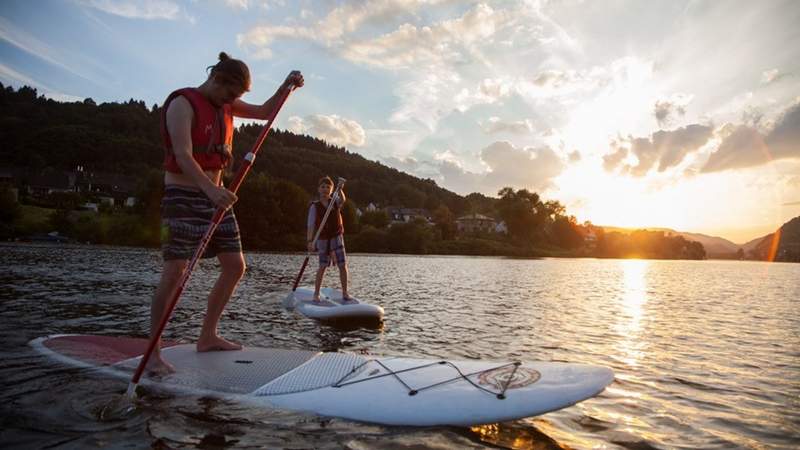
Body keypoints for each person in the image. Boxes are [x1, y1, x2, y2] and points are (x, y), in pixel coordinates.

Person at [148, 52, 303, 375]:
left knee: (235, 266)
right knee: (174, 271)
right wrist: (211, 190)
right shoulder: (181, 104)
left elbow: (264, 112)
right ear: (217, 79)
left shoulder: (226, 104)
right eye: (230, 94)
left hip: (216, 198)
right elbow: (183, 155)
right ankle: (153, 350)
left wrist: (286, 87)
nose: (231, 102)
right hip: (184, 196)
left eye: (236, 98)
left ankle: (207, 336)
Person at [306, 176, 355, 304]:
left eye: (328, 187)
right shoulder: (314, 207)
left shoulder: (335, 201)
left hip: (336, 237)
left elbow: (343, 200)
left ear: (332, 189)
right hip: (322, 239)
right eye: (323, 187)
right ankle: (316, 294)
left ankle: (345, 293)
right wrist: (310, 241)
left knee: (342, 265)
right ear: (318, 189)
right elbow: (311, 225)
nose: (325, 189)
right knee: (322, 266)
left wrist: (340, 189)